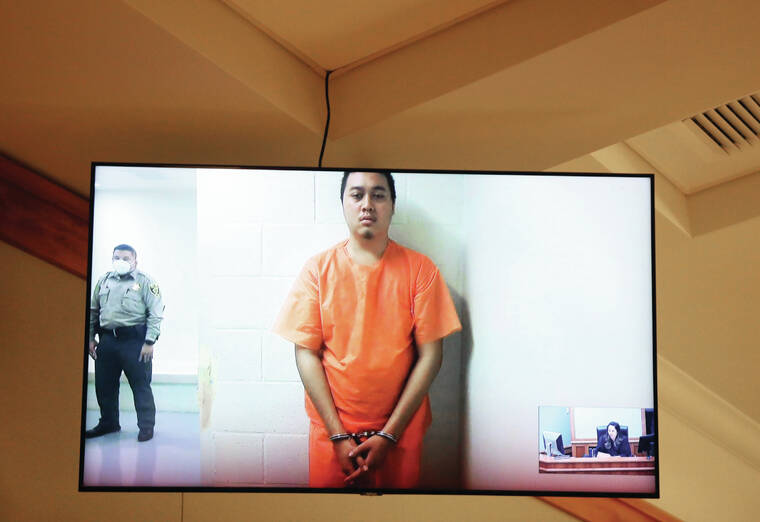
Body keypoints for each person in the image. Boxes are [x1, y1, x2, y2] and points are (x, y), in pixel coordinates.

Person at [273, 170, 462, 489]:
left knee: (395, 512)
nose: (367, 204)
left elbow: (431, 356)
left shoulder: (421, 270)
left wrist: (389, 434)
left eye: (378, 195)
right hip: (332, 435)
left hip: (399, 433)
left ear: (392, 205)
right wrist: (337, 436)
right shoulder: (318, 270)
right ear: (343, 203)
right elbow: (305, 353)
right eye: (357, 194)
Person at [86, 244, 164, 442]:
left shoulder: (145, 282)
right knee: (104, 386)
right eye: (117, 258)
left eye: (126, 258)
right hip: (107, 341)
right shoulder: (104, 281)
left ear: (135, 261)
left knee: (140, 385)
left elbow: (155, 314)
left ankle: (146, 427)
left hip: (134, 342)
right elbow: (93, 310)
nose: (120, 261)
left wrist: (149, 342)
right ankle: (109, 423)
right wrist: (90, 337)